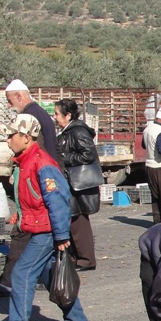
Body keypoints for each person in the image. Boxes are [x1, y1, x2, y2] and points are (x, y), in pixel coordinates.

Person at [0, 114, 90, 321]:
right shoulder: (25, 161)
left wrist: (61, 236)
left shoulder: (41, 163)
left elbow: (58, 200)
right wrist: (20, 217)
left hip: (47, 230)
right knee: (50, 276)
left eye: (11, 135)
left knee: (21, 274)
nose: (8, 140)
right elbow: (33, 198)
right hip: (41, 227)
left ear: (26, 137)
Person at [0, 79, 59, 299]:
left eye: (10, 100)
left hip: (35, 193)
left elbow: (40, 157)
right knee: (36, 242)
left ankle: (9, 285)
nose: (9, 105)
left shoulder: (31, 118)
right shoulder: (40, 114)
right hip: (38, 191)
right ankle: (51, 284)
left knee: (23, 237)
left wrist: (25, 176)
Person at [54, 99, 102, 271]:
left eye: (57, 114)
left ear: (68, 115)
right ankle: (78, 257)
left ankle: (86, 259)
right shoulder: (68, 131)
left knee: (79, 221)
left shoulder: (77, 131)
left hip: (78, 184)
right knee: (73, 220)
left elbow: (88, 154)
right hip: (72, 183)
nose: (55, 117)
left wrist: (65, 158)